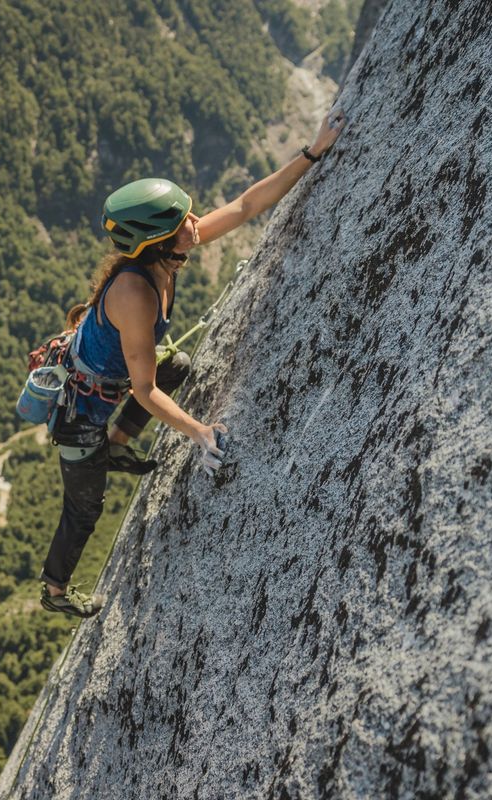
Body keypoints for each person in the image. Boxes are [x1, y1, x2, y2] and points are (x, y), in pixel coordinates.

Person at [39, 108, 347, 618]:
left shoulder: (164, 257)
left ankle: (117, 446)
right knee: (85, 506)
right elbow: (142, 390)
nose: (193, 223)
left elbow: (248, 204)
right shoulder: (136, 292)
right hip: (81, 413)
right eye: (181, 222)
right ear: (158, 241)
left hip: (108, 386)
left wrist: (313, 152)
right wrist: (201, 432)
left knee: (176, 365)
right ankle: (53, 591)